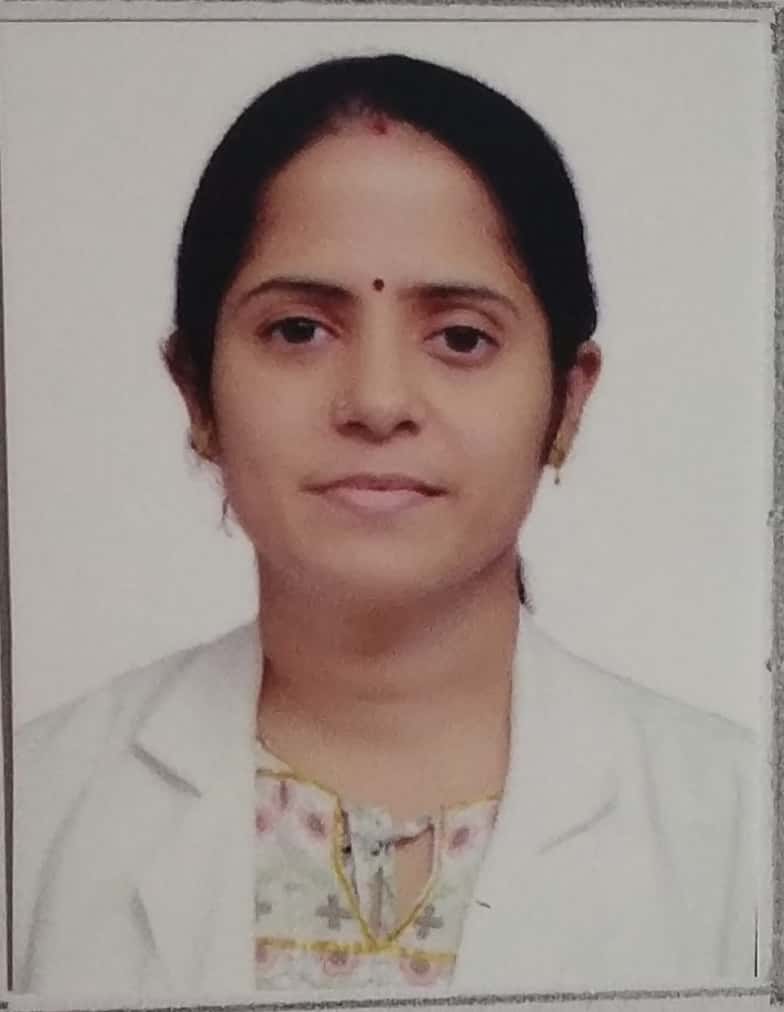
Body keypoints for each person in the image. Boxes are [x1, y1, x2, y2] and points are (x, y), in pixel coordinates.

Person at [14, 52, 760, 1001]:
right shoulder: (34, 815)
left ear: (567, 402)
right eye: (298, 330)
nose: (376, 401)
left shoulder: (743, 834)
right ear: (197, 391)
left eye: (461, 337)